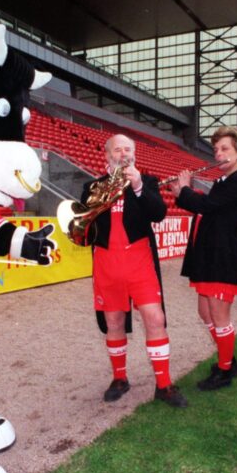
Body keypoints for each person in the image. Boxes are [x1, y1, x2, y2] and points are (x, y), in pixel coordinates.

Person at [83, 134, 187, 408]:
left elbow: (157, 214)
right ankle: (120, 378)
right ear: (107, 156)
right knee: (114, 322)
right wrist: (99, 199)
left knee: (155, 318)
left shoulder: (148, 182)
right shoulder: (92, 186)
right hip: (107, 263)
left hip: (139, 261)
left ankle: (163, 385)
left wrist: (138, 184)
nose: (124, 153)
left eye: (128, 149)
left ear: (135, 155)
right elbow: (83, 229)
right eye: (118, 149)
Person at [169, 126, 237, 390]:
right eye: (216, 149)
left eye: (225, 149)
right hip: (209, 256)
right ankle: (228, 358)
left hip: (223, 258)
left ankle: (225, 370)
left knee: (219, 315)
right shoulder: (223, 181)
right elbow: (209, 208)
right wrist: (185, 194)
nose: (218, 154)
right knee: (204, 311)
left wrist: (184, 190)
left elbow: (207, 207)